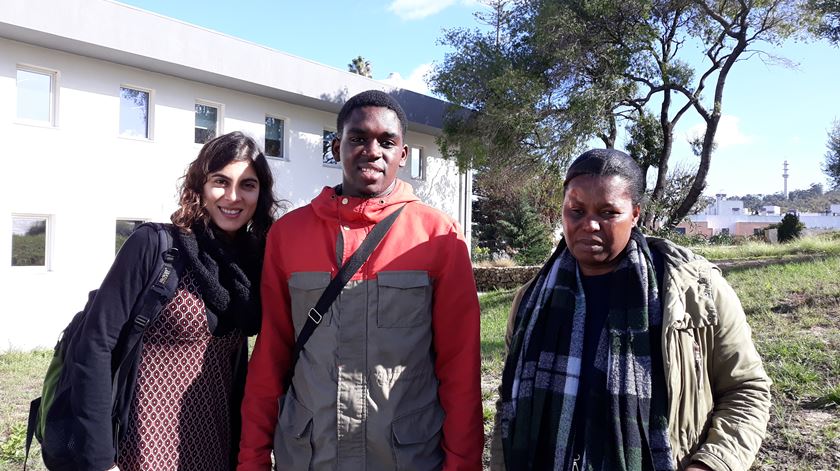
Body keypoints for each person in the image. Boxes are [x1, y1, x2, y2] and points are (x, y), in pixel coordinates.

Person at [238, 90, 483, 470]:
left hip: (407, 459)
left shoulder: (439, 237)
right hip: (310, 457)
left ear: (403, 154)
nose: (372, 150)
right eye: (358, 139)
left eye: (387, 142)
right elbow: (270, 357)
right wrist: (251, 460)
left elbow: (460, 368)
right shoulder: (288, 235)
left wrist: (462, 464)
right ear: (336, 148)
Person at [491, 149, 772, 471]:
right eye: (576, 211)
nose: (589, 225)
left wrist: (711, 464)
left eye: (608, 212)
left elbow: (746, 389)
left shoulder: (694, 292)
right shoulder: (531, 300)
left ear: (635, 214)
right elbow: (509, 405)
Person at [68, 131, 278, 471]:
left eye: (248, 185)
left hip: (218, 445)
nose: (233, 196)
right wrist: (100, 460)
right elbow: (94, 345)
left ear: (261, 193)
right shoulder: (156, 246)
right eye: (220, 181)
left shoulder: (254, 263)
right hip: (143, 447)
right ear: (200, 186)